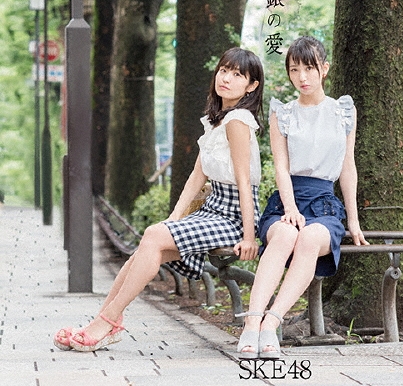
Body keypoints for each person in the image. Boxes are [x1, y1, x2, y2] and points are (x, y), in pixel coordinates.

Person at [54, 47, 264, 352]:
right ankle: (103, 322)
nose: (226, 78)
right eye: (223, 70)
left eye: (237, 75)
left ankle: (105, 323)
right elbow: (196, 177)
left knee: (152, 237)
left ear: (252, 86)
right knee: (149, 244)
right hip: (213, 210)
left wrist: (248, 236)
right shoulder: (218, 120)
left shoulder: (238, 121)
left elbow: (244, 182)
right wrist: (174, 219)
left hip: (233, 217)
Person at [236, 36, 369, 360]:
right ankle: (251, 323)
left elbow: (347, 167)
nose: (302, 77)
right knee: (284, 235)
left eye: (309, 68)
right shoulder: (283, 113)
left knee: (309, 238)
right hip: (287, 200)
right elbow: (281, 166)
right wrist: (291, 207)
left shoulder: (342, 111)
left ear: (324, 69)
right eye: (294, 70)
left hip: (324, 204)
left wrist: (353, 220)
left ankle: (271, 323)